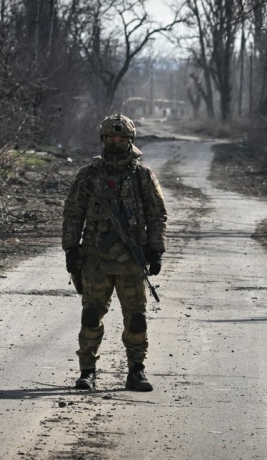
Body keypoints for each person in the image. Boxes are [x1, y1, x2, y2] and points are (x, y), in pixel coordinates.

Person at [62, 113, 167, 392]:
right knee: (91, 315)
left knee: (135, 317)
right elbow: (73, 214)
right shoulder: (89, 175)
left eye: (122, 139)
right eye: (112, 138)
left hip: (132, 259)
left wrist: (156, 250)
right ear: (103, 140)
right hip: (95, 258)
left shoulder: (142, 176)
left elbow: (157, 216)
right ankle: (87, 371)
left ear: (130, 140)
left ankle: (136, 370)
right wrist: (71, 249)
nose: (117, 143)